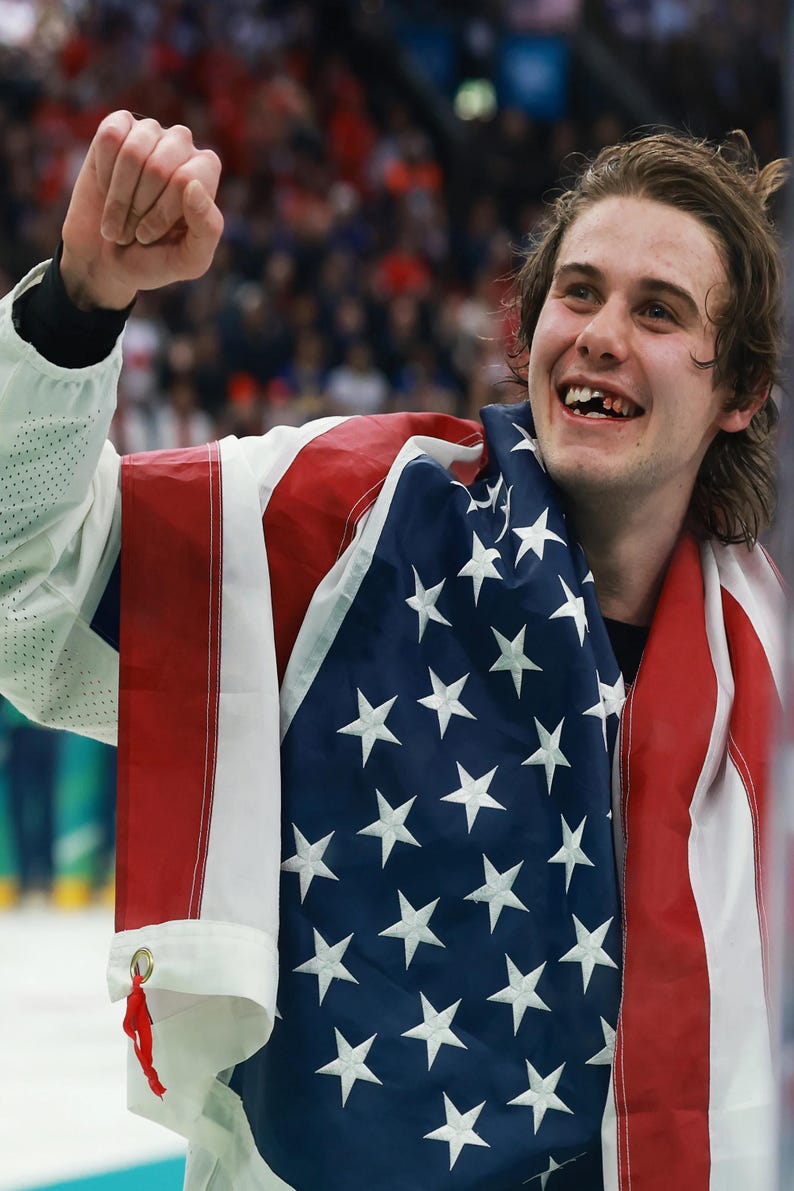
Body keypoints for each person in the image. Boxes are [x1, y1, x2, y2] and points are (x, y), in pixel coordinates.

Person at [0, 111, 785, 1190]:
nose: (602, 333)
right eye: (578, 292)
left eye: (658, 310)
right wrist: (77, 305)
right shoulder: (344, 523)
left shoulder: (768, 681)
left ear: (739, 392)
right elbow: (28, 586)